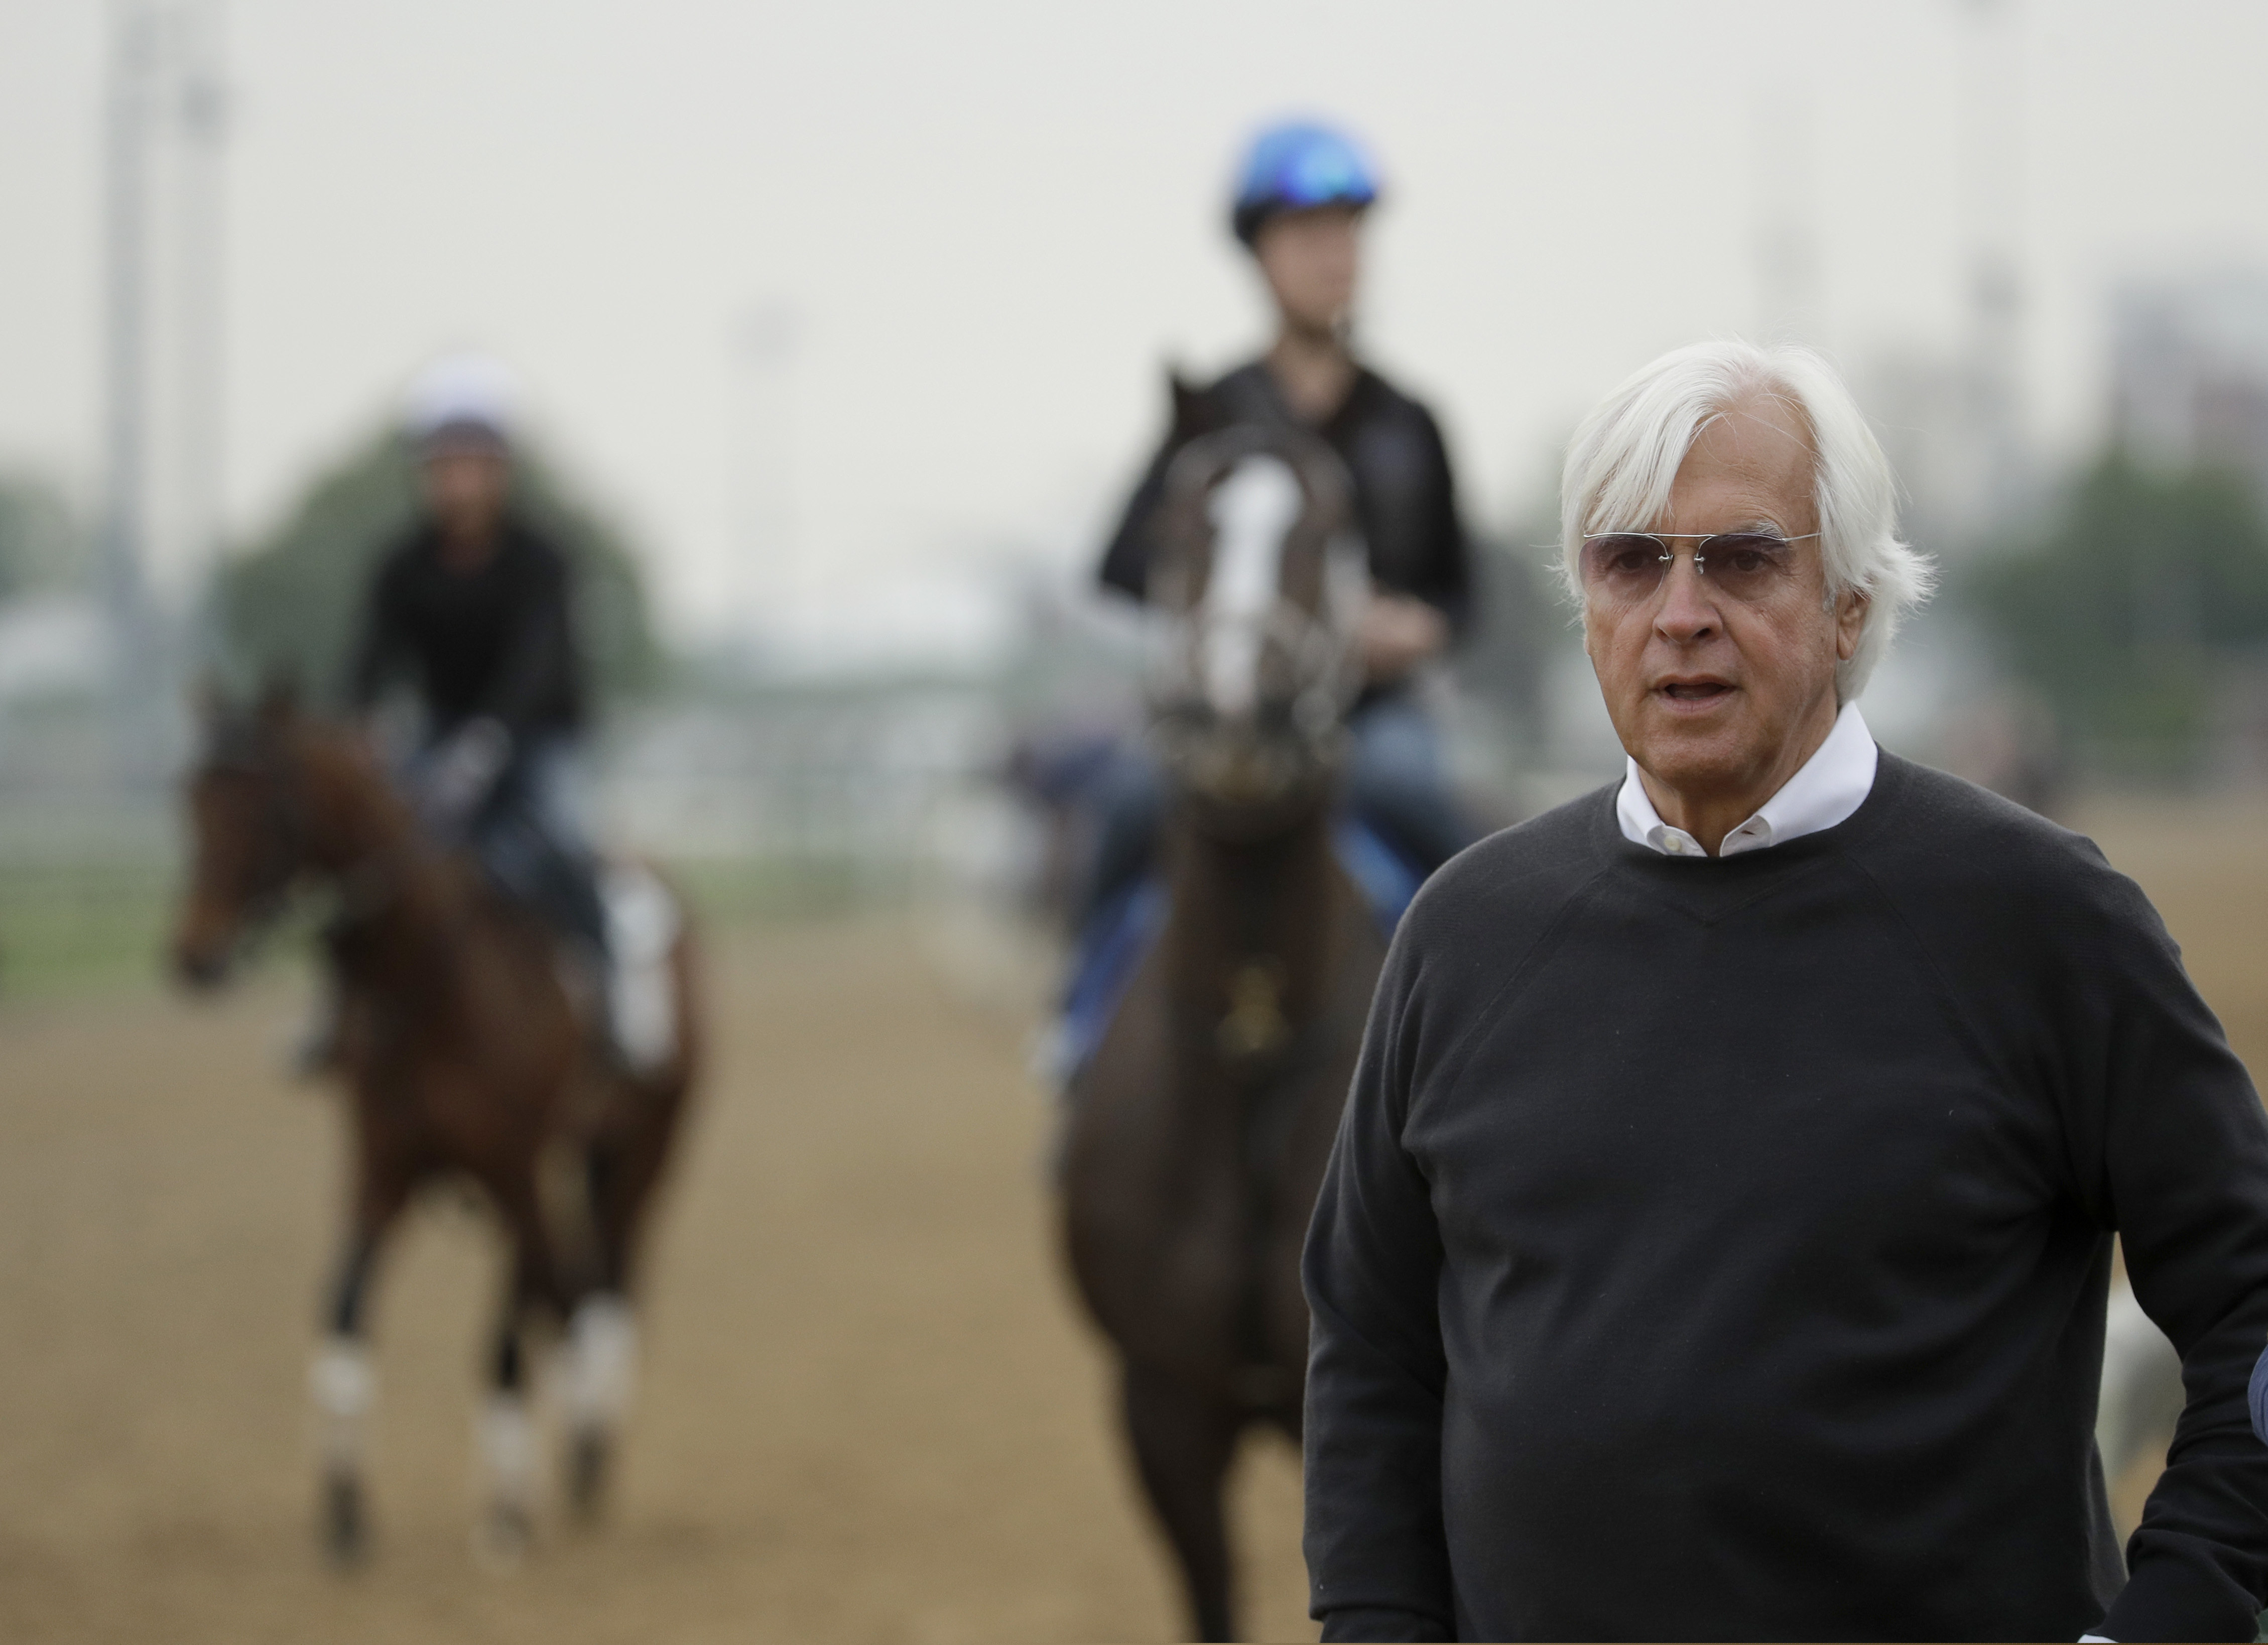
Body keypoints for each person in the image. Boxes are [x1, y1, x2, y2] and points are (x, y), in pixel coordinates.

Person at [1301, 338, 2268, 1641]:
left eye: (1741, 558)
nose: (1678, 610)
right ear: (1585, 600)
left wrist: (2173, 1614)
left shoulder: (2045, 922)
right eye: (1628, 560)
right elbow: (1367, 1349)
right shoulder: (1461, 935)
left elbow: (2247, 1300)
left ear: (1850, 605)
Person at [1085, 119, 1475, 917]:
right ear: (1258, 255)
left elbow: (1461, 596)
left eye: (1347, 232)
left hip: (1368, 722)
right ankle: (1074, 1019)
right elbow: (1118, 563)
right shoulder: (1209, 417)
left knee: (1433, 817)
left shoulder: (1410, 421)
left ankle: (1483, 1011)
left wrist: (1417, 630)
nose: (1333, 253)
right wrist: (1225, 609)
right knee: (1124, 808)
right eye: (1305, 234)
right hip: (1223, 718)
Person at [345, 355, 608, 994]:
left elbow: (538, 666)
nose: (458, 481)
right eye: (445, 465)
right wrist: (358, 724)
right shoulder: (403, 566)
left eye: (473, 464)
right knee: (372, 868)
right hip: (440, 736)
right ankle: (344, 1010)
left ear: (500, 471)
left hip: (537, 738)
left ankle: (610, 993)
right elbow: (372, 661)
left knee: (567, 846)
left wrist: (489, 742)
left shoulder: (540, 560)